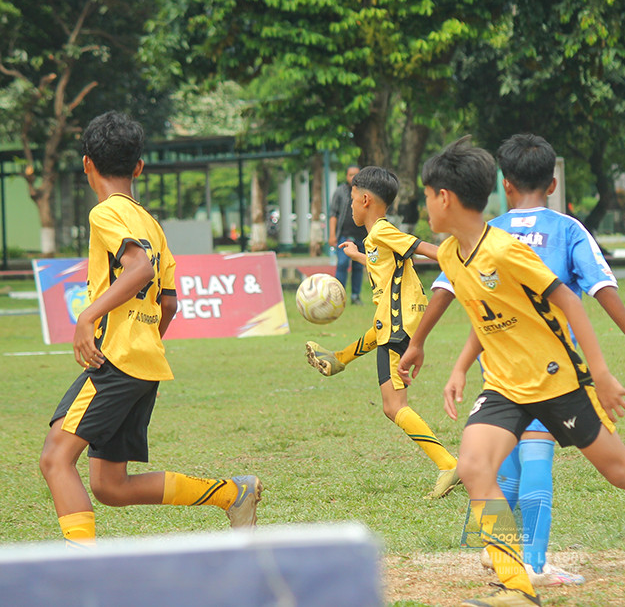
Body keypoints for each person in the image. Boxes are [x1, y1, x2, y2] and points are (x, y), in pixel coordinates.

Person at [401, 136, 625, 607]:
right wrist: (455, 365)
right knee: (475, 466)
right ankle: (518, 588)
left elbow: (566, 300)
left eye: (426, 196)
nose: (425, 206)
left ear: (445, 198)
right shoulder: (453, 255)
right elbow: (487, 314)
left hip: (558, 381)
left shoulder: (504, 250)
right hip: (504, 387)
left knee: (623, 472)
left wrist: (600, 372)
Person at [422, 133, 625, 587]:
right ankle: (529, 563)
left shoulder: (484, 231)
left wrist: (426, 348)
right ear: (552, 183)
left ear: (505, 185)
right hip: (549, 370)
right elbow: (596, 287)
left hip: (497, 367)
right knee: (535, 459)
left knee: (494, 467)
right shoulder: (567, 228)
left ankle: (500, 555)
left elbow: (451, 291)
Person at [38, 111, 262, 547]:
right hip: (142, 363)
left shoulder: (106, 214)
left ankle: (83, 575)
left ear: (87, 164)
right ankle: (234, 493)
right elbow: (169, 303)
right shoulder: (152, 226)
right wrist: (143, 343)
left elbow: (137, 269)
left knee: (55, 459)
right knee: (109, 486)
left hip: (115, 359)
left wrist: (87, 317)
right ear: (138, 168)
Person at [305, 166, 461, 499]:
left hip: (397, 322)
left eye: (351, 200)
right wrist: (357, 255)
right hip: (397, 320)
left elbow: (419, 247)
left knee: (394, 406)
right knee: (377, 332)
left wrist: (457, 259)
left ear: (365, 199)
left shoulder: (382, 232)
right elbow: (385, 263)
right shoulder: (375, 238)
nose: (349, 207)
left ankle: (448, 463)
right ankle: (337, 360)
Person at [330, 165, 367, 305]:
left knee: (359, 266)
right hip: (345, 235)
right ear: (346, 176)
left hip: (362, 237)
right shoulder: (340, 192)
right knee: (342, 263)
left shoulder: (366, 192)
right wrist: (332, 235)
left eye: (356, 175)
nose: (353, 178)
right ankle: (339, 295)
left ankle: (355, 296)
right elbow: (333, 214)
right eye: (351, 175)